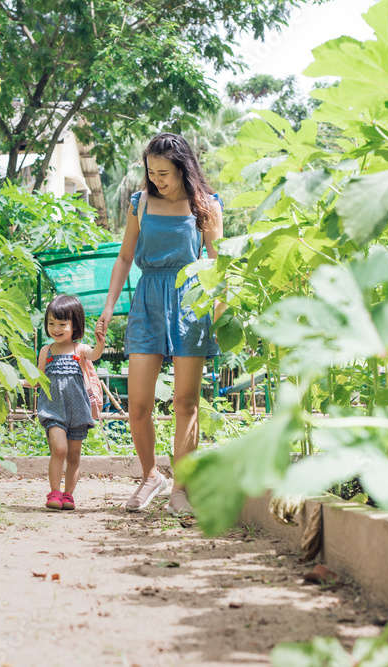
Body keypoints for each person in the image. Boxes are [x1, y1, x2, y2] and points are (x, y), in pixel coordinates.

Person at [96, 133, 223, 516]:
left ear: (183, 168)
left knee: (185, 402)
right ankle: (151, 475)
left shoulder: (207, 206)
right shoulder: (141, 203)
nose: (157, 180)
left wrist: (219, 306)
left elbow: (218, 262)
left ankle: (181, 489)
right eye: (151, 172)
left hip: (191, 301)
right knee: (137, 405)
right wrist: (107, 308)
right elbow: (123, 259)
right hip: (148, 301)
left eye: (164, 173)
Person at [24, 294, 106, 511]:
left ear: (75, 325)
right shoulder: (46, 351)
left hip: (77, 411)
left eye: (62, 324)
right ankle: (54, 492)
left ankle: (68, 495)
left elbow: (95, 355)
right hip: (53, 410)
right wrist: (15, 380)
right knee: (58, 449)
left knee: (74, 455)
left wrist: (100, 343)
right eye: (51, 323)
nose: (56, 329)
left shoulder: (80, 350)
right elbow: (38, 379)